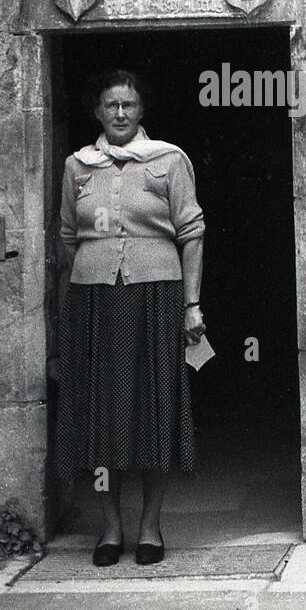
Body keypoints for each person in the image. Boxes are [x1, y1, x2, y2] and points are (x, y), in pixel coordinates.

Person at [55, 70, 206, 566]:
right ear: (97, 111)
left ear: (142, 111)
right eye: (110, 105)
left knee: (152, 411)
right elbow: (66, 241)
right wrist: (62, 316)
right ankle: (110, 528)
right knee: (101, 416)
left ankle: (150, 527)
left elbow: (192, 232)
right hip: (93, 299)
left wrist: (192, 305)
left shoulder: (168, 160)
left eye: (129, 105)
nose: (119, 114)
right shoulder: (78, 167)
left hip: (156, 297)